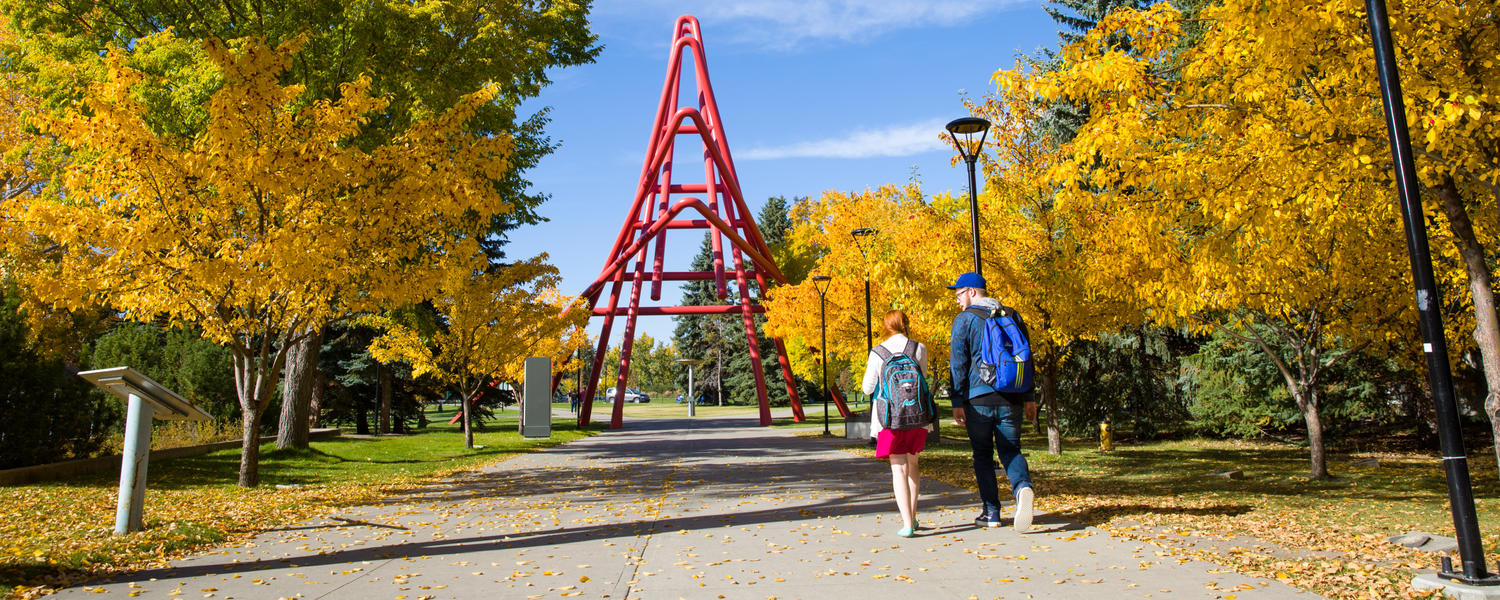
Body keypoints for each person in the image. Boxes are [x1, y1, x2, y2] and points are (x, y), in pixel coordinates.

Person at [948, 272, 1037, 532]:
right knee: (1011, 449)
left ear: (973, 292)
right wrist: (1029, 397)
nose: (957, 300)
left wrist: (957, 399)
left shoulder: (964, 320)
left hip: (978, 399)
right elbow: (1026, 358)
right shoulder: (1012, 315)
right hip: (1012, 396)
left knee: (983, 455)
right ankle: (1022, 488)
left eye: (959, 294)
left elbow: (958, 362)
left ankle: (991, 511)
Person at [861, 309, 931, 538]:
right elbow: (923, 376)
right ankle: (913, 516)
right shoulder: (918, 348)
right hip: (918, 417)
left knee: (898, 469)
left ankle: (907, 524)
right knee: (913, 466)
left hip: (890, 418)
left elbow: (867, 388)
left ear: (886, 326)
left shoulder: (878, 352)